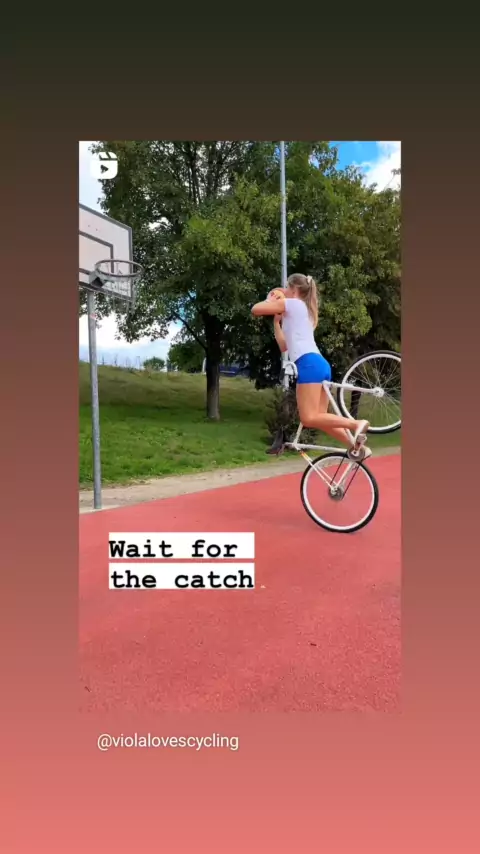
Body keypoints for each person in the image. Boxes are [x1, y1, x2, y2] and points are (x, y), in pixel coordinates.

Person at [251, 273, 370, 457]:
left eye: (287, 287)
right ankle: (357, 447)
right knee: (321, 418)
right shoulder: (304, 311)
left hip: (308, 364)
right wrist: (277, 323)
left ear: (293, 289)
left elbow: (255, 309)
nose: (285, 290)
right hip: (319, 364)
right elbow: (284, 346)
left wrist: (272, 298)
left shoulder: (294, 304)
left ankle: (356, 424)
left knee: (308, 418)